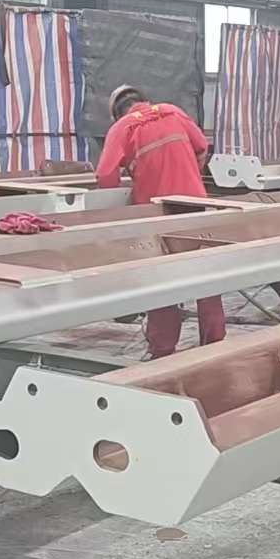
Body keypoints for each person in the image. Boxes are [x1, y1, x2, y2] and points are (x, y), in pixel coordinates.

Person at [94, 84, 226, 359]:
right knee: (206, 274)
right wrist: (186, 176)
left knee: (162, 280)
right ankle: (215, 343)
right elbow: (201, 146)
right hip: (195, 206)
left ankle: (162, 351)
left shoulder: (122, 128)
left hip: (157, 214)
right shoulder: (172, 112)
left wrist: (116, 206)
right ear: (145, 100)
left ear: (117, 113)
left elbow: (105, 176)